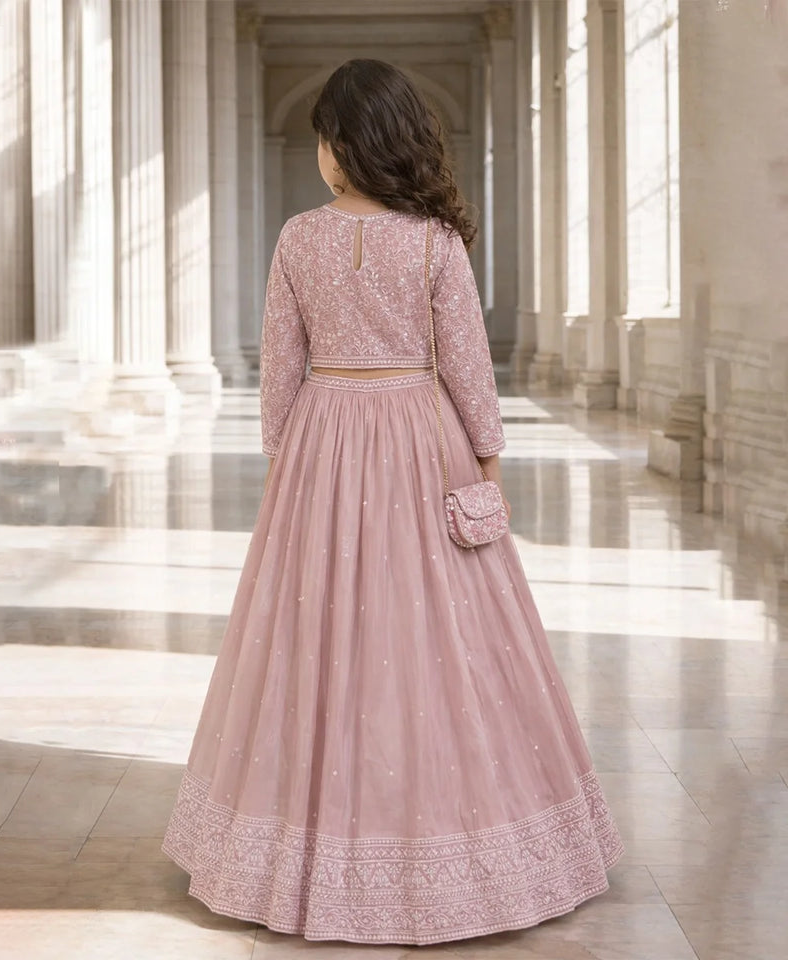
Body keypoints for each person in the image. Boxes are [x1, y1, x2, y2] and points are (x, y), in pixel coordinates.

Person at [162, 58, 623, 946]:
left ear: (341, 147)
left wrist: (286, 461)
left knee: (318, 628)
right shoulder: (436, 241)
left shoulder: (299, 237)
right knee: (444, 631)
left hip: (323, 434)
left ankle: (301, 844)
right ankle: (467, 835)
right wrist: (487, 462)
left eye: (324, 138)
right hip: (422, 431)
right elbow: (468, 363)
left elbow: (280, 368)